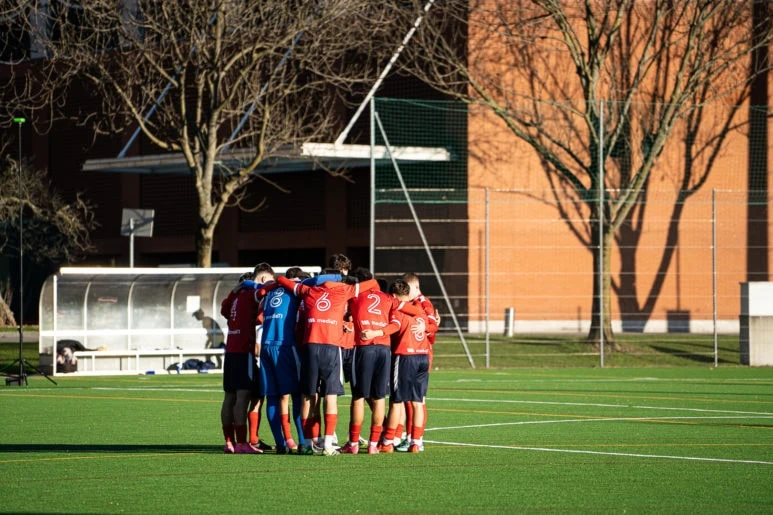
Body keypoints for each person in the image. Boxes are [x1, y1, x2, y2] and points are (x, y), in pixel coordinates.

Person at [276, 257, 377, 456]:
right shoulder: (344, 290)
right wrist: (342, 279)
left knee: (308, 396)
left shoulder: (309, 291)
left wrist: (314, 281)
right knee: (330, 395)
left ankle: (306, 443)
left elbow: (281, 279)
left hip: (311, 346)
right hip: (331, 347)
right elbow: (373, 282)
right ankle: (329, 445)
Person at [340, 268, 424, 455]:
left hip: (364, 348)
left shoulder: (354, 295)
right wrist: (423, 321)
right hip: (384, 350)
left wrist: (351, 320)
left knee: (358, 397)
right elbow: (414, 311)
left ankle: (353, 443)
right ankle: (373, 444)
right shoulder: (387, 298)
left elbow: (342, 311)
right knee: (379, 398)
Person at [363, 279, 436, 453]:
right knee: (418, 402)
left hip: (405, 357)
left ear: (393, 296)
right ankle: (415, 442)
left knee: (396, 401)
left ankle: (388, 441)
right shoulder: (420, 310)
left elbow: (394, 327)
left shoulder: (397, 310)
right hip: (423, 356)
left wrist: (376, 332)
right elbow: (433, 326)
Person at [259, 266, 307, 454]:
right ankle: (303, 443)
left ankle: (280, 444)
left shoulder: (269, 292)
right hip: (284, 346)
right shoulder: (295, 290)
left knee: (272, 396)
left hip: (266, 346)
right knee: (296, 395)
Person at [219, 271, 263, 454]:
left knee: (229, 397)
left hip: (230, 352)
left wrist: (235, 290)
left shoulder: (233, 297)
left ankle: (229, 442)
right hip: (244, 352)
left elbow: (224, 311)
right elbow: (264, 294)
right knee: (243, 396)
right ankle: (242, 442)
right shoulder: (250, 295)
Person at [395, 272, 439, 452]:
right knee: (410, 399)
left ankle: (416, 439)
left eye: (407, 289)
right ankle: (409, 437)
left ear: (414, 287)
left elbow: (433, 326)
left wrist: (426, 327)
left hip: (420, 354)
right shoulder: (412, 303)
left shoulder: (423, 302)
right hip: (414, 352)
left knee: (418, 399)